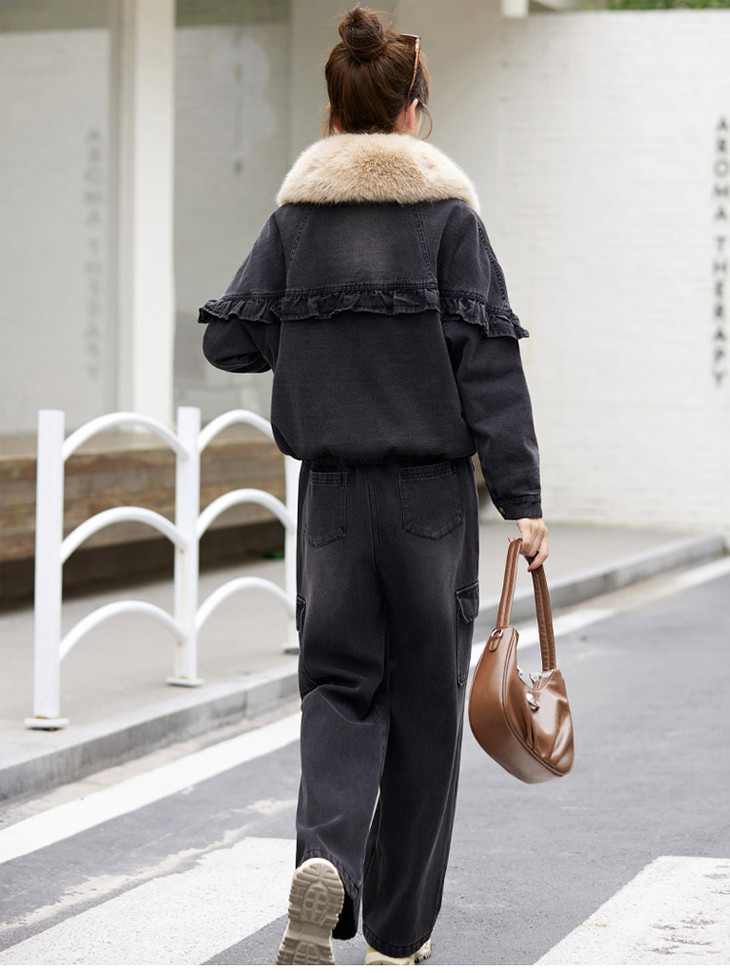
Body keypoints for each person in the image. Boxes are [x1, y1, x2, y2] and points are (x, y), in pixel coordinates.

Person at [199, 5, 548, 965]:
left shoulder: (296, 221)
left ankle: (327, 859)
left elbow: (229, 338)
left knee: (337, 688)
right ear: (411, 111)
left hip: (332, 505)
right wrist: (522, 499)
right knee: (427, 705)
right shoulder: (449, 220)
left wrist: (316, 343)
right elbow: (488, 368)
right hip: (431, 504)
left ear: (333, 110)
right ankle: (397, 934)